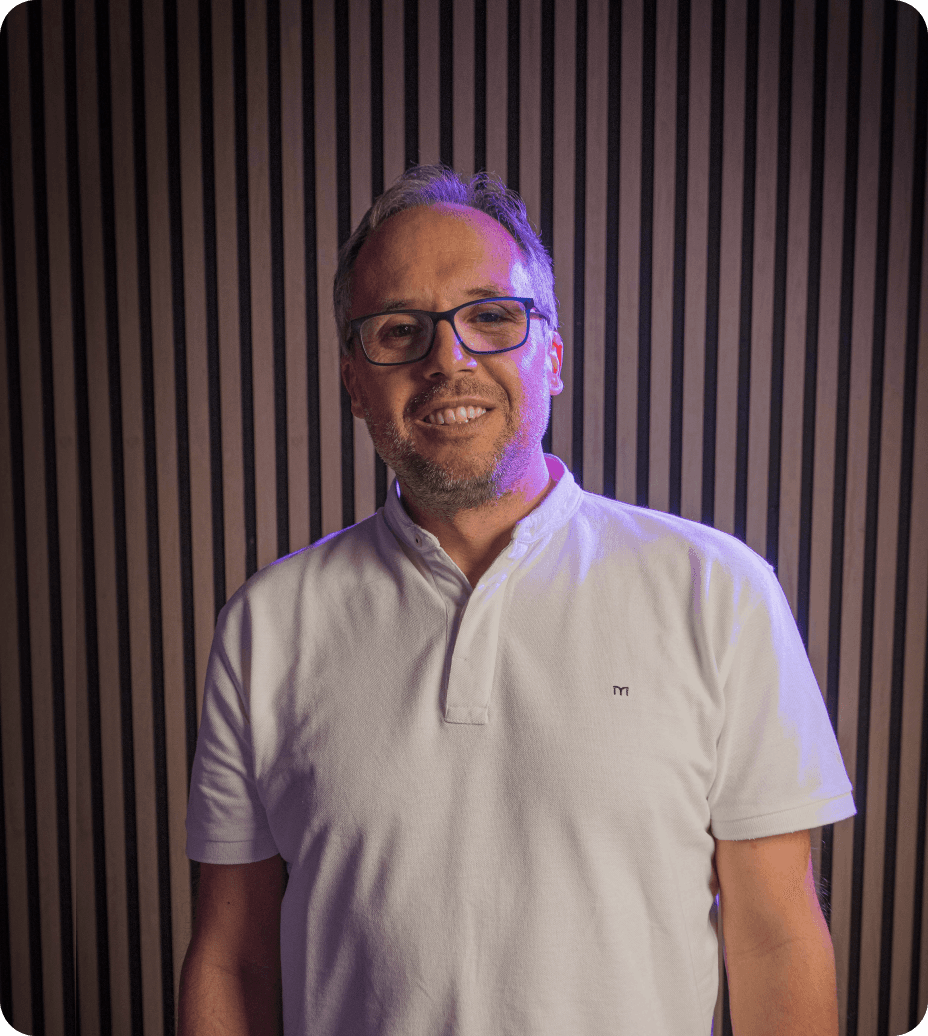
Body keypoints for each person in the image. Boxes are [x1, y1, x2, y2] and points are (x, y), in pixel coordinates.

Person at [178, 164, 856, 1036]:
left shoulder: (718, 592)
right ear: (353, 381)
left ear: (553, 358)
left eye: (492, 317)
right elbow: (233, 957)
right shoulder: (267, 625)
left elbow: (775, 940)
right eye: (399, 330)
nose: (448, 360)